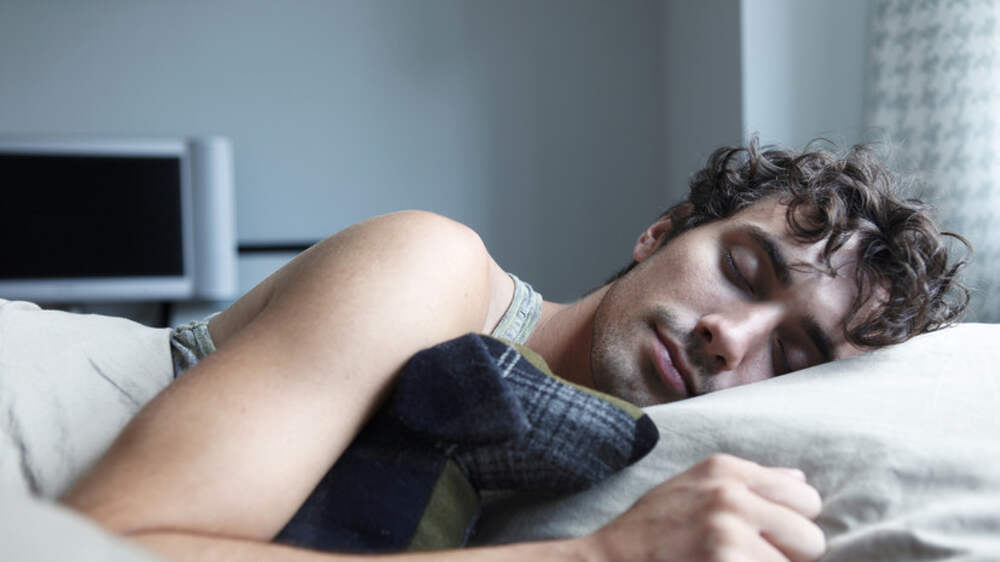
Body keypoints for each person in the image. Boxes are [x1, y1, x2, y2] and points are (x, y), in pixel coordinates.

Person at [61, 139, 968, 562]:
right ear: (661, 233)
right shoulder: (432, 271)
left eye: (794, 356)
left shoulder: (645, 465)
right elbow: (108, 551)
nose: (728, 338)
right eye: (740, 270)